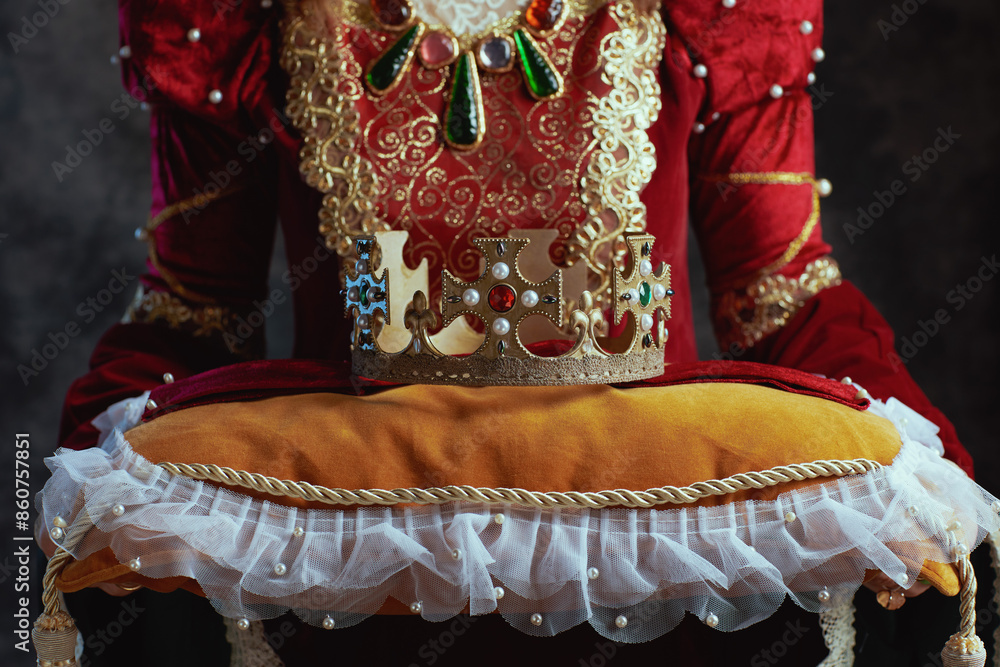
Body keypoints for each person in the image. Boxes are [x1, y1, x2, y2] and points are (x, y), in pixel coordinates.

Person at [51, 0, 977, 664]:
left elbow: (781, 295)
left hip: (668, 557)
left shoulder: (714, 15)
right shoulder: (247, 21)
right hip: (353, 555)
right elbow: (194, 309)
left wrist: (927, 463)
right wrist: (88, 455)